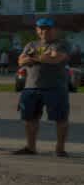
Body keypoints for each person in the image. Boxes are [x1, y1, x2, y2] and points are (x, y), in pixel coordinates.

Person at [15, 17, 70, 157]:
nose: (44, 31)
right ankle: (30, 147)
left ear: (54, 30)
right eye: (41, 28)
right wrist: (41, 56)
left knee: (61, 119)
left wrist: (32, 57)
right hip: (31, 87)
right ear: (37, 30)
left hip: (55, 87)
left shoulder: (61, 44)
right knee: (30, 119)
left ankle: (60, 149)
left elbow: (55, 59)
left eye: (47, 28)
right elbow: (21, 61)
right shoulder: (30, 44)